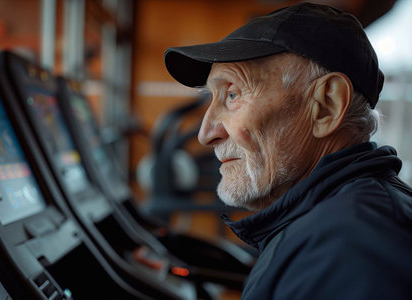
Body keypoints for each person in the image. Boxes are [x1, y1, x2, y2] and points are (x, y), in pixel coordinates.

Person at [164, 2, 412, 299]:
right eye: (211, 98)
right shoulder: (328, 229)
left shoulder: (349, 248)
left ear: (325, 106)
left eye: (232, 94)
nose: (206, 134)